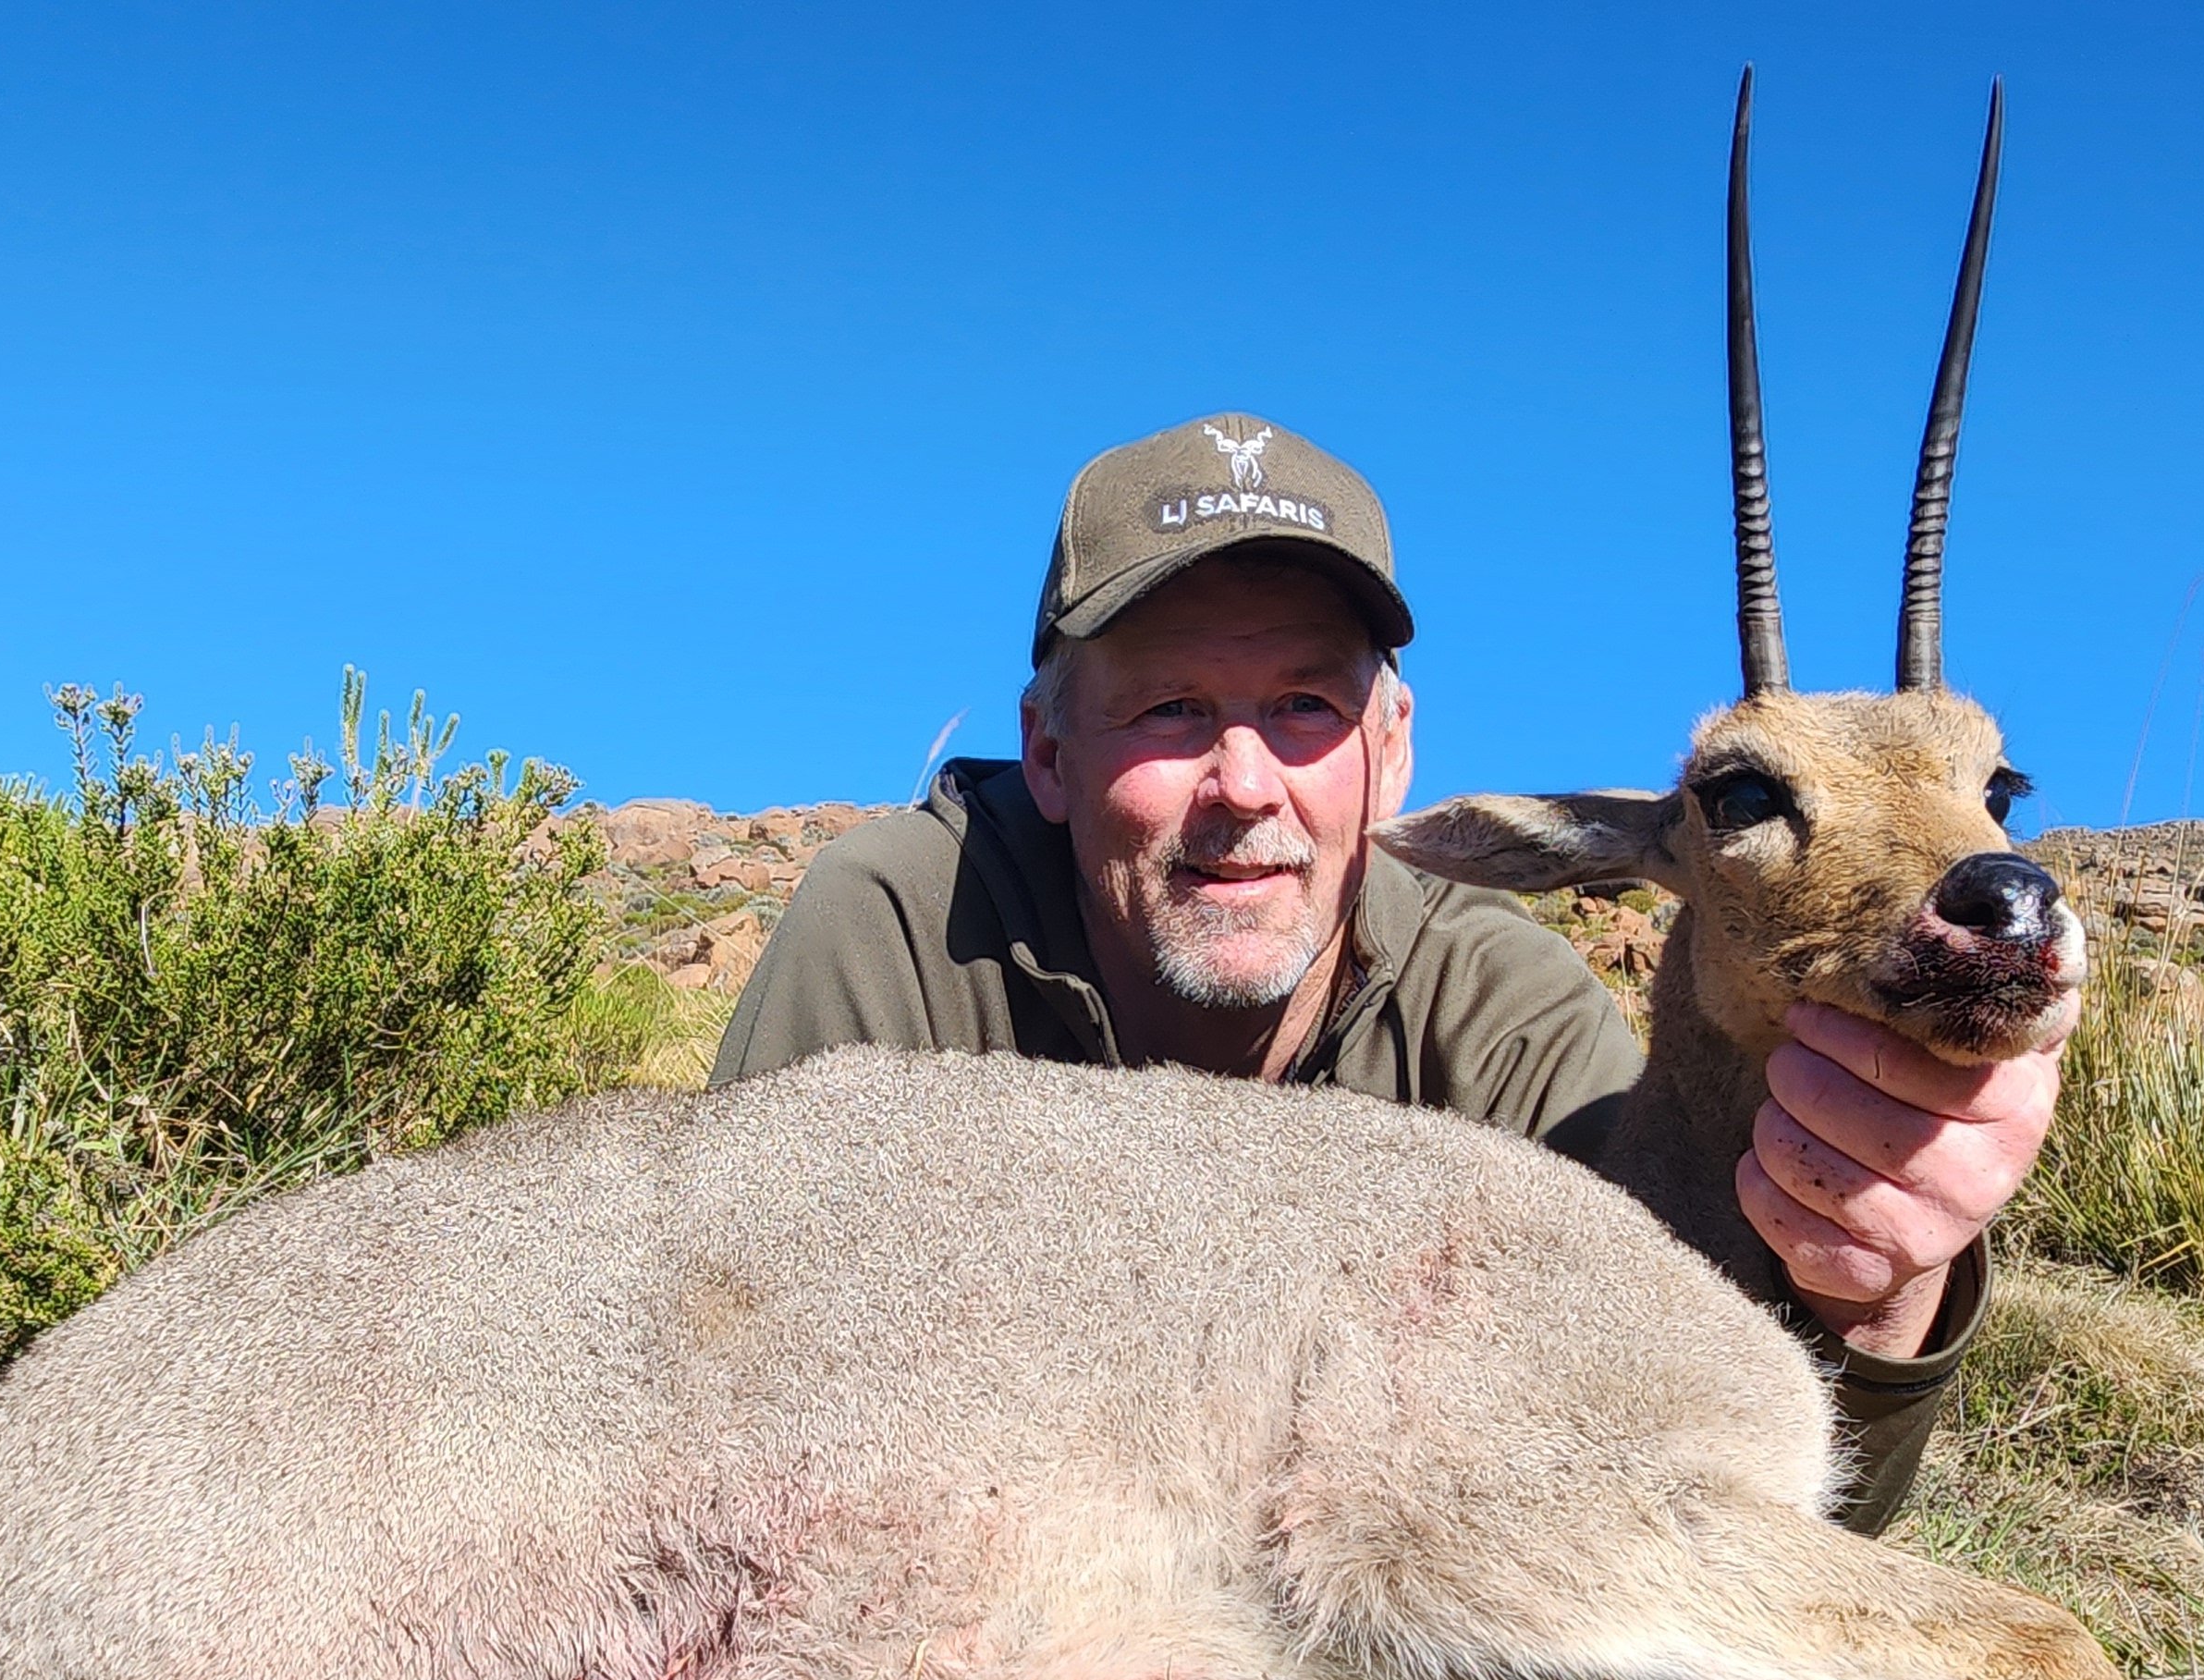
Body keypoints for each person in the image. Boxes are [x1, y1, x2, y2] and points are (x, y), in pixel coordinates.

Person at [709, 413, 2057, 1532]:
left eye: (1306, 707)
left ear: (1395, 748)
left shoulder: (1505, 1014)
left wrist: (1881, 1290)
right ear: (1050, 754)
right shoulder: (893, 923)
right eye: (1172, 709)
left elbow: (1748, 1523)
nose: (1244, 786)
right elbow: (726, 1352)